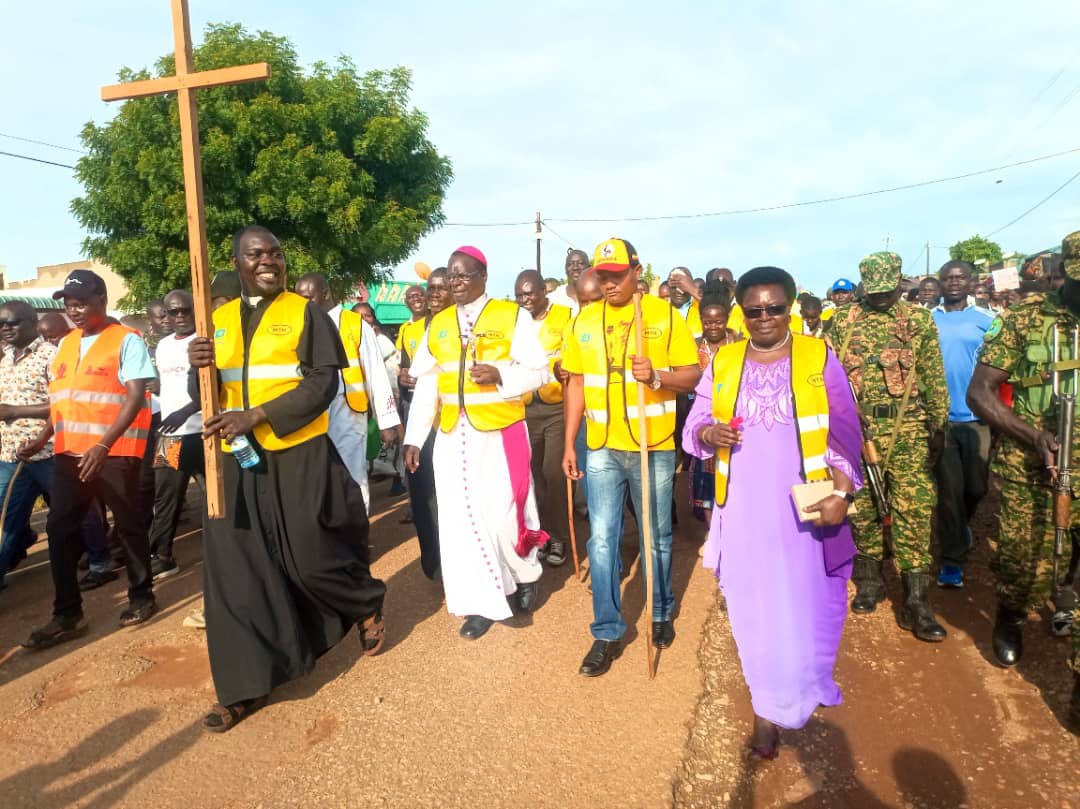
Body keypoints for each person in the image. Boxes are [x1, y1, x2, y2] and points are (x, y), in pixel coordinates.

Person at [188, 225, 386, 732]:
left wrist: (258, 415)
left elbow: (323, 384)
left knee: (310, 556)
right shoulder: (218, 319)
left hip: (297, 450)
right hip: (232, 456)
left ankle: (364, 601)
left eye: (274, 253)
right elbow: (206, 393)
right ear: (238, 263)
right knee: (237, 568)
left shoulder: (306, 313)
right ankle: (243, 686)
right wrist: (197, 366)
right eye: (256, 254)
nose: (268, 261)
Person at [683, 266, 862, 758]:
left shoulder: (817, 356)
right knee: (755, 613)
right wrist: (707, 434)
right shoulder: (724, 361)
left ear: (790, 307)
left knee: (802, 606)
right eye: (755, 310)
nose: (765, 318)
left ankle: (803, 686)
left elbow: (845, 430)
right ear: (742, 311)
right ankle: (767, 708)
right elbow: (695, 422)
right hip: (743, 509)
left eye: (775, 308)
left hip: (803, 511)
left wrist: (841, 495)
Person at [561, 238, 700, 676]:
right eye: (602, 276)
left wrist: (656, 375)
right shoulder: (584, 320)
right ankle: (606, 630)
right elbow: (577, 385)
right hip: (601, 445)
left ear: (637, 271)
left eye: (617, 274)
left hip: (651, 445)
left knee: (655, 537)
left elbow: (693, 373)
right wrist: (570, 442)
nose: (608, 283)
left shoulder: (662, 315)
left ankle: (660, 609)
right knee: (601, 539)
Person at [403, 246, 549, 640]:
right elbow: (428, 384)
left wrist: (502, 374)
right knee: (460, 519)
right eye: (451, 276)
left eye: (464, 275)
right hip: (453, 434)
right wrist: (414, 438)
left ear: (483, 276)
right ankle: (483, 601)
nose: (456, 282)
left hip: (502, 431)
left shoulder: (511, 316)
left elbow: (540, 372)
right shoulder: (439, 323)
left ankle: (525, 573)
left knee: (506, 514)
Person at [967, 232, 1080, 715]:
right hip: (1032, 464)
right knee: (1023, 560)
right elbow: (980, 393)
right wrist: (1032, 435)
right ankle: (1011, 613)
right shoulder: (1026, 320)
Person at [20, 270, 158, 648]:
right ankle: (67, 614)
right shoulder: (65, 345)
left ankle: (142, 595)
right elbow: (61, 402)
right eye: (68, 304)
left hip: (114, 454)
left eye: (81, 302)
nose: (74, 310)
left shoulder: (127, 341)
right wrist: (42, 438)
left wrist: (103, 446)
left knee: (128, 527)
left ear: (102, 300)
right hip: (69, 455)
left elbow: (133, 396)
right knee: (61, 530)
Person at [828, 252, 949, 642]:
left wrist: (938, 423)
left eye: (888, 291)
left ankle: (917, 601)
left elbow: (933, 372)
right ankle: (870, 580)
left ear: (899, 283)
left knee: (913, 505)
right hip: (857, 427)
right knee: (861, 505)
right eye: (874, 292)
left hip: (909, 423)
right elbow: (826, 376)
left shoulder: (918, 321)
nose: (881, 298)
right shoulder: (843, 321)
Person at [294, 273, 401, 511]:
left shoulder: (356, 325)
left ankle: (358, 536)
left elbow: (376, 374)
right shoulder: (300, 324)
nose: (303, 304)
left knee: (353, 475)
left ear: (325, 293)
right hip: (312, 413)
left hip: (348, 412)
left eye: (308, 297)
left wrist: (386, 422)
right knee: (318, 477)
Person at [931, 261, 994, 588]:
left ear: (971, 282)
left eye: (960, 277)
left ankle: (961, 529)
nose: (954, 282)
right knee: (950, 494)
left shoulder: (989, 321)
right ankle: (952, 560)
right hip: (941, 420)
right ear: (941, 283)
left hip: (978, 419)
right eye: (948, 278)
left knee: (976, 488)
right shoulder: (927, 320)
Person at [515, 269, 573, 566]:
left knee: (553, 472)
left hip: (556, 408)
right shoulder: (515, 322)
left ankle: (560, 538)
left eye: (529, 293)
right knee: (534, 477)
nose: (524, 300)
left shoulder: (564, 316)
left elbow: (572, 354)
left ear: (543, 292)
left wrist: (560, 364)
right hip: (524, 410)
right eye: (519, 295)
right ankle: (542, 536)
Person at [146, 290, 205, 580]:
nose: (180, 316)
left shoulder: (206, 339)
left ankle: (227, 552)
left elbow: (214, 389)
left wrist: (186, 411)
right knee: (165, 497)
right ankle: (163, 556)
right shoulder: (163, 345)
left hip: (206, 432)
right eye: (173, 312)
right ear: (165, 316)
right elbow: (169, 385)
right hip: (170, 436)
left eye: (185, 310)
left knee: (216, 497)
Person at [398, 268, 450, 579]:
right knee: (423, 491)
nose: (434, 294)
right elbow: (409, 371)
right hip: (424, 421)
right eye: (431, 288)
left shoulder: (465, 324)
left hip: (458, 423)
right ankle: (435, 563)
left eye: (441, 288)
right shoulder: (417, 328)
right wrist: (404, 378)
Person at [688, 285, 742, 532]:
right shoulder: (692, 346)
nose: (713, 327)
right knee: (705, 476)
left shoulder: (740, 344)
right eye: (707, 322)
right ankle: (713, 533)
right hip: (702, 416)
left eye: (718, 322)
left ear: (726, 320)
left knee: (735, 473)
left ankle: (734, 527)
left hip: (735, 416)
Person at [549, 248, 590, 315]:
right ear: (565, 269)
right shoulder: (553, 299)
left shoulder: (599, 296)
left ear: (589, 267)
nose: (575, 268)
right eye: (570, 264)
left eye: (580, 263)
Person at [668, 266, 702, 339]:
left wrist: (693, 290)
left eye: (682, 286)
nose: (679, 291)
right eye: (674, 286)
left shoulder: (702, 306)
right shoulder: (660, 309)